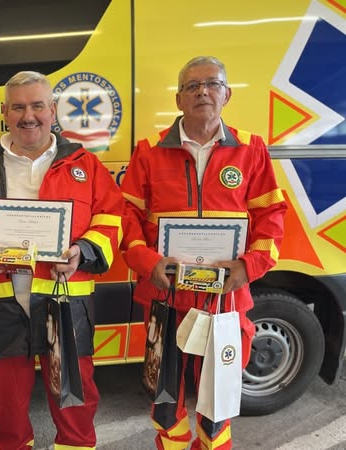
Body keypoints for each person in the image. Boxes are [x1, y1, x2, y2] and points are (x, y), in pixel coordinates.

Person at [0, 71, 124, 449]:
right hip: (0, 305)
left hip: (65, 301)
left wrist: (83, 251)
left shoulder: (85, 165)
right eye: (18, 107)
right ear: (5, 113)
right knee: (4, 408)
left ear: (52, 110)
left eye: (37, 106)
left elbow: (112, 218)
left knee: (75, 403)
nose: (29, 116)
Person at [121, 56, 287, 449]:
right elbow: (125, 215)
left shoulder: (251, 149)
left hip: (225, 297)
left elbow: (272, 215)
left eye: (212, 84)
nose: (203, 92)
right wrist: (147, 261)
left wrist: (249, 266)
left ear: (226, 94)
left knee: (219, 400)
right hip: (165, 293)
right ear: (178, 99)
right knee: (164, 396)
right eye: (192, 86)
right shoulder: (148, 151)